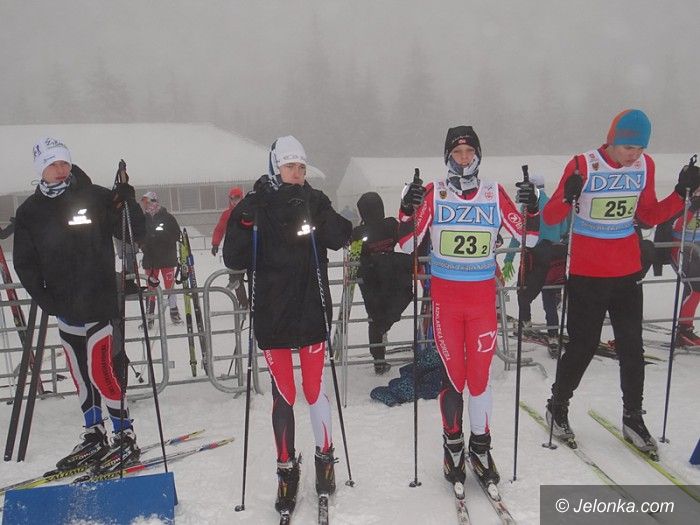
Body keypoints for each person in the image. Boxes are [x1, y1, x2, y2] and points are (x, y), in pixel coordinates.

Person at [542, 109, 700, 456]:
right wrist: (567, 196)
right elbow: (550, 217)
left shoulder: (644, 166)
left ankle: (633, 416)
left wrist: (680, 193)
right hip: (587, 272)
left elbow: (647, 216)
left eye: (640, 148)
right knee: (583, 346)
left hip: (627, 271)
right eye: (629, 147)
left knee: (632, 347)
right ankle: (558, 405)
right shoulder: (582, 165)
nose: (634, 155)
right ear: (612, 140)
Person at [398, 126, 539, 488]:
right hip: (446, 303)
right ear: (447, 157)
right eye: (457, 153)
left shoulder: (493, 193)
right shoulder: (435, 192)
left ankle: (480, 446)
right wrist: (407, 207)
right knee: (454, 377)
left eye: (469, 152)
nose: (464, 159)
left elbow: (530, 236)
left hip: (481, 303)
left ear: (478, 155)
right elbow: (407, 243)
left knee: (479, 378)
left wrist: (534, 206)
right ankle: (453, 446)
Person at [223, 136, 351, 514]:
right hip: (272, 313)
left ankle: (325, 460)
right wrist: (244, 219)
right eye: (289, 166)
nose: (296, 173)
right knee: (285, 395)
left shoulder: (314, 199)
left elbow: (341, 235)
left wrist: (317, 211)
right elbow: (233, 257)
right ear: (275, 168)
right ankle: (286, 470)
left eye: (301, 167)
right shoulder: (257, 203)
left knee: (314, 389)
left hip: (312, 309)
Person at [13, 137, 145, 468]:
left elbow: (131, 234)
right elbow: (25, 263)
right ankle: (94, 434)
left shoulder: (94, 196)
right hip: (65, 308)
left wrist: (127, 201)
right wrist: (47, 300)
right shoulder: (29, 212)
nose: (60, 169)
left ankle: (124, 435)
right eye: (52, 164)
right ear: (41, 169)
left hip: (98, 302)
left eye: (64, 163)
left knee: (101, 370)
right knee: (80, 375)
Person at [502, 173, 569, 353]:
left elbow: (518, 235)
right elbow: (563, 229)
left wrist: (508, 259)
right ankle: (553, 334)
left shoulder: (527, 206)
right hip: (554, 256)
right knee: (550, 297)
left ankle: (526, 322)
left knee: (523, 291)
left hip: (532, 257)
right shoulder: (554, 203)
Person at [351, 192, 413, 374]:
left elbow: (354, 256)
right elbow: (406, 239)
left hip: (370, 279)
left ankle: (378, 359)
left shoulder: (358, 233)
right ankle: (384, 328)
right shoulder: (391, 225)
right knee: (398, 301)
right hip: (392, 276)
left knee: (375, 318)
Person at [140, 191, 182, 327]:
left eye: (148, 202)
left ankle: (174, 312)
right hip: (150, 259)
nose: (145, 205)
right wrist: (142, 244)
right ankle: (150, 316)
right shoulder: (143, 219)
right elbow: (139, 235)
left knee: (170, 286)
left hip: (166, 258)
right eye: (144, 203)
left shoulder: (167, 217)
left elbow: (176, 234)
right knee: (151, 288)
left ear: (154, 202)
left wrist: (162, 237)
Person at [211, 186, 248, 308]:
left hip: (249, 250)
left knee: (255, 278)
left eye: (237, 198)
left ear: (241, 197)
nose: (234, 201)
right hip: (234, 252)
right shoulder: (227, 215)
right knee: (236, 280)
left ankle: (256, 303)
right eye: (232, 198)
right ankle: (243, 303)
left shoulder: (248, 212)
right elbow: (219, 229)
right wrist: (215, 243)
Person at [670, 195, 700, 346]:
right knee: (695, 287)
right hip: (682, 249)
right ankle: (683, 330)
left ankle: (685, 329)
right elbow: (677, 225)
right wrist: (692, 208)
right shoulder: (685, 199)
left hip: (697, 248)